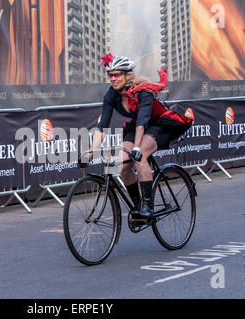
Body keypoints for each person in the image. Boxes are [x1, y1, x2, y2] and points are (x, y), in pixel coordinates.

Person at [82, 53, 192, 223]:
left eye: (117, 74)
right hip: (137, 125)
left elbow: (143, 122)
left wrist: (137, 148)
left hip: (160, 123)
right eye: (110, 75)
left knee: (140, 158)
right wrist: (89, 153)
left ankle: (148, 207)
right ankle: (138, 206)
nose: (113, 78)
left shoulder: (144, 92)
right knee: (123, 165)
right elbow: (102, 127)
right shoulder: (111, 95)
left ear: (127, 75)